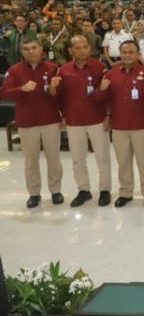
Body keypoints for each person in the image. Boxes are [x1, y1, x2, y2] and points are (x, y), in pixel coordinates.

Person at [94, 40, 144, 207]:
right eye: (124, 52)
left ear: (138, 54)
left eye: (131, 52)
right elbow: (101, 100)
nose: (127, 55)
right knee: (123, 161)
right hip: (119, 126)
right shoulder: (111, 74)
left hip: (142, 125)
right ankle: (125, 192)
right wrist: (102, 90)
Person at [49, 35, 111, 208]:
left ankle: (105, 190)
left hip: (97, 119)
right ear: (70, 50)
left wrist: (108, 115)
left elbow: (107, 94)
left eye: (84, 47)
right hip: (74, 120)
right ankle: (84, 190)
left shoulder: (100, 68)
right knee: (77, 159)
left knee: (103, 157)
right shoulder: (64, 70)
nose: (81, 50)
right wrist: (52, 88)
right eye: (77, 47)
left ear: (89, 49)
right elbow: (57, 96)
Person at [1, 38, 63, 208]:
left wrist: (53, 90)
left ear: (41, 49)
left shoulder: (52, 68)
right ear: (22, 52)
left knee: (54, 158)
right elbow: (4, 94)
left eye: (34, 48)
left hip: (49, 119)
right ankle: (34, 193)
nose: (31, 51)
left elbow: (60, 95)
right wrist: (22, 89)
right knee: (30, 160)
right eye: (26, 49)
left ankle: (56, 191)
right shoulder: (14, 70)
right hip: (26, 121)